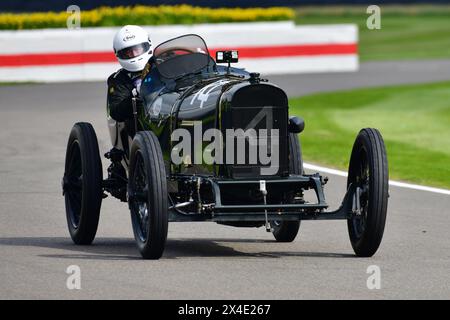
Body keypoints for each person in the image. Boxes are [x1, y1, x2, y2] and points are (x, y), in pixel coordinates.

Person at [107, 25, 153, 122]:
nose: (134, 54)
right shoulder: (118, 79)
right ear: (119, 53)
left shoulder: (161, 62)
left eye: (137, 49)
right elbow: (116, 112)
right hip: (141, 125)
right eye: (128, 52)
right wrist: (135, 96)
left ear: (147, 45)